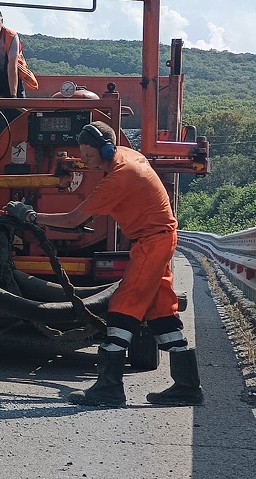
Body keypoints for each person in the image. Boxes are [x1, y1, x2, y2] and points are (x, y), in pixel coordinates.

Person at [32, 121, 203, 407]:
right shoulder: (127, 156)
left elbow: (74, 220)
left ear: (106, 149)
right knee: (161, 312)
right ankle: (187, 386)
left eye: (88, 156)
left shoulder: (120, 176)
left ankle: (109, 388)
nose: (84, 162)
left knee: (124, 306)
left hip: (151, 241)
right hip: (157, 238)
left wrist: (31, 217)